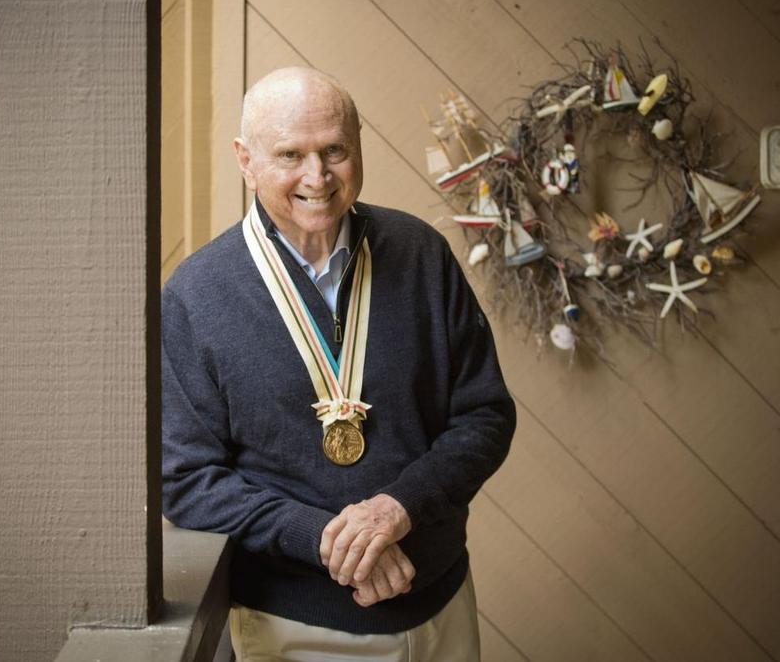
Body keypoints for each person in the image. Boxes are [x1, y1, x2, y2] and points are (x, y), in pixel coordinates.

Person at [161, 66, 516, 661]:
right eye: (290, 154)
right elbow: (188, 481)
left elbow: (485, 415)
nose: (316, 177)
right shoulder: (196, 295)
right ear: (245, 160)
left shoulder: (423, 254)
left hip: (441, 605)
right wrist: (328, 541)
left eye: (334, 151)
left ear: (358, 145)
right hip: (290, 627)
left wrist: (397, 509)